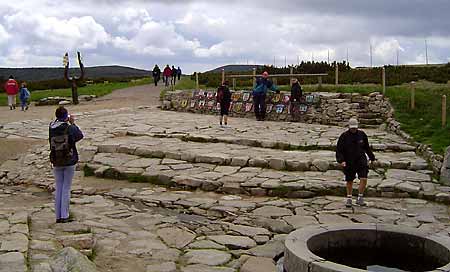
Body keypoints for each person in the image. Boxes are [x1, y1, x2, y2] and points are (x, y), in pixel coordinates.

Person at [49, 106, 84, 223]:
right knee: (66, 187)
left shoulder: (51, 127)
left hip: (56, 159)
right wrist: (73, 123)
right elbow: (79, 136)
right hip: (69, 159)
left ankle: (58, 215)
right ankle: (65, 215)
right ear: (66, 116)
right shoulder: (69, 128)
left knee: (59, 187)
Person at [336, 118, 376, 208]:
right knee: (349, 180)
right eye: (352, 128)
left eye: (355, 128)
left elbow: (367, 147)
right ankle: (349, 198)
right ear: (349, 127)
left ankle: (360, 197)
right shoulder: (344, 136)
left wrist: (372, 158)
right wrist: (341, 160)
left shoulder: (362, 135)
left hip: (361, 160)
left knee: (364, 178)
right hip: (349, 161)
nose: (353, 130)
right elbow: (339, 150)